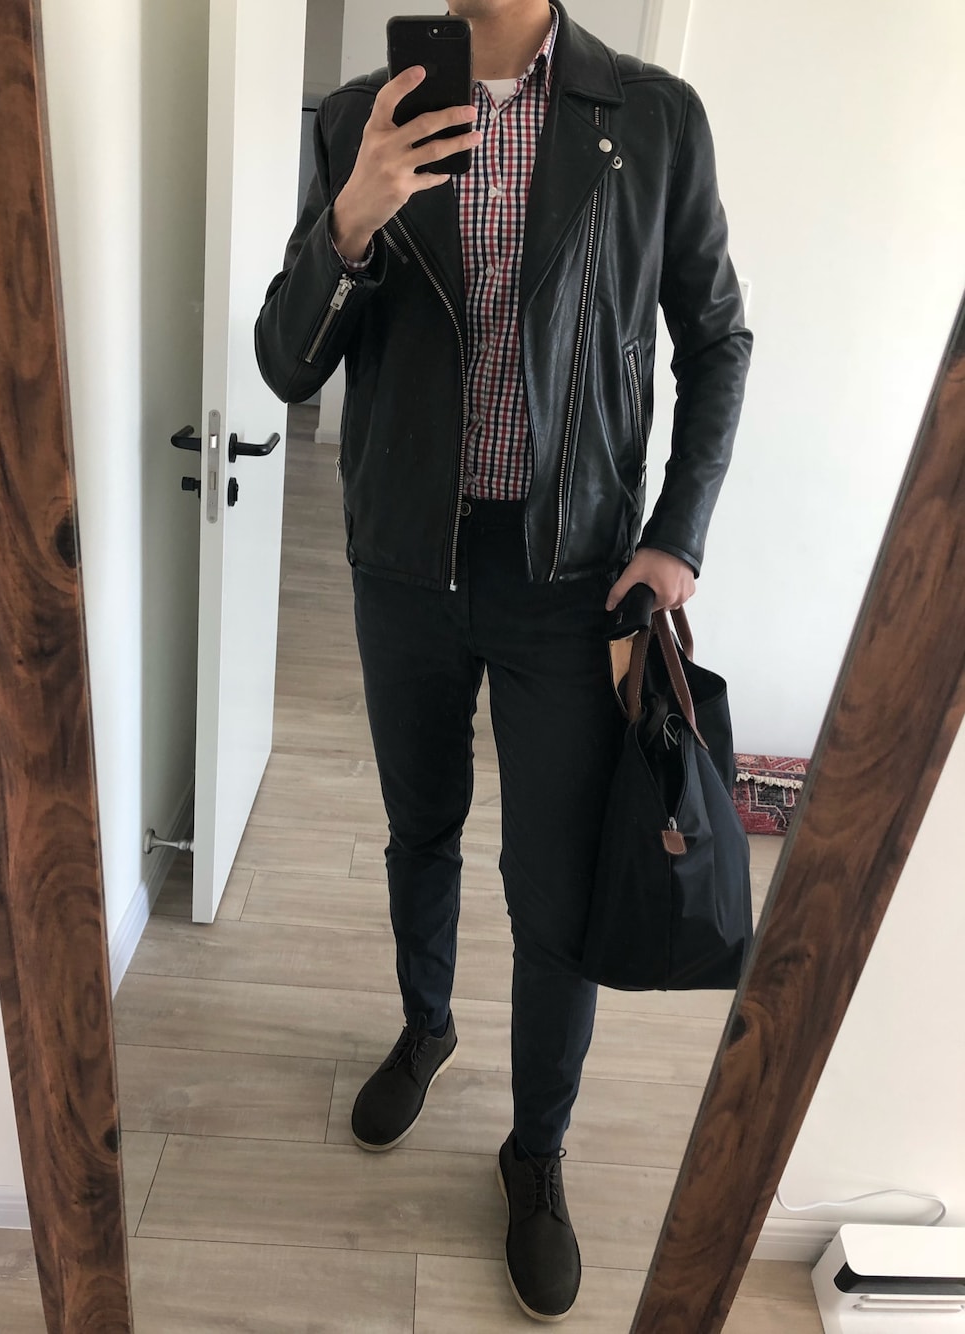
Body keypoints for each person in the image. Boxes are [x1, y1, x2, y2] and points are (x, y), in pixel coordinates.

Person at [255, 0, 751, 1320]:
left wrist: (678, 534)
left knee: (553, 885)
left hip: (569, 575)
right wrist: (350, 222)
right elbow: (286, 366)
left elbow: (716, 338)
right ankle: (426, 1025)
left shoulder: (651, 119)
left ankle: (536, 1151)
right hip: (403, 563)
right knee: (419, 825)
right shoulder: (358, 117)